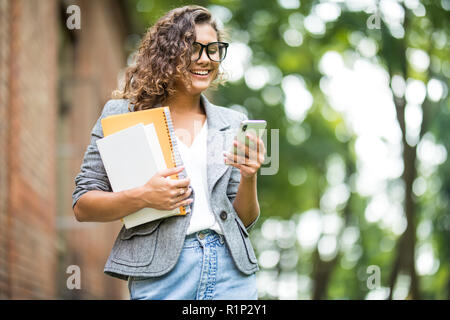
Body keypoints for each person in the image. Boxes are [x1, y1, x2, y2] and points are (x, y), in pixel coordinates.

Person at [72, 5, 266, 300]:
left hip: (231, 272)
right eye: (193, 49)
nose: (205, 59)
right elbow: (83, 206)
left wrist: (249, 176)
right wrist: (144, 196)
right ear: (167, 53)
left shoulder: (232, 123)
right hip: (163, 275)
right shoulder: (123, 115)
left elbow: (244, 219)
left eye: (213, 49)